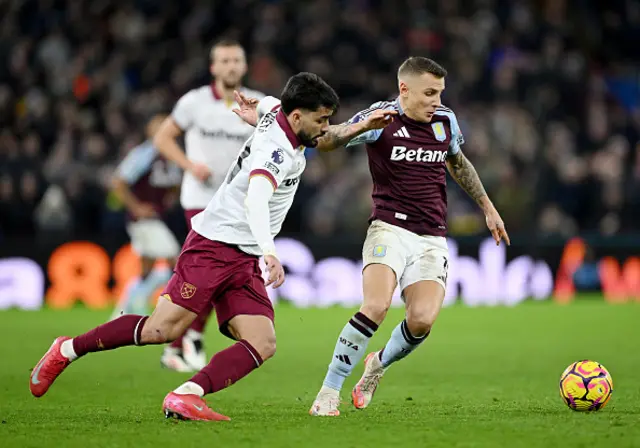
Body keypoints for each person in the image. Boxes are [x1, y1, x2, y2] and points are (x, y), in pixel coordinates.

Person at [28, 72, 392, 422]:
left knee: (262, 342)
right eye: (322, 119)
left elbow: (268, 106)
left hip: (242, 256)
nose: (326, 126)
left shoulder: (275, 111)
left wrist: (258, 115)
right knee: (162, 331)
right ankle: (67, 349)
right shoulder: (276, 152)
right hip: (214, 247)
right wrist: (270, 251)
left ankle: (187, 394)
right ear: (296, 116)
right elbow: (255, 200)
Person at [233, 56, 510, 417]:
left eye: (440, 93)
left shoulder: (445, 120)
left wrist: (487, 206)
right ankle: (329, 391)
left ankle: (377, 364)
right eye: (429, 93)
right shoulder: (382, 117)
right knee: (376, 306)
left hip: (432, 236)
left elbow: (457, 162)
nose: (436, 101)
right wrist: (362, 125)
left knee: (422, 320)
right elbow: (326, 139)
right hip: (388, 228)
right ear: (404, 90)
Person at [153, 38, 266, 372]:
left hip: (240, 204)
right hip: (201, 201)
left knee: (216, 275)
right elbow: (162, 138)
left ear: (244, 66)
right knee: (207, 274)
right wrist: (190, 167)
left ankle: (186, 340)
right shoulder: (194, 102)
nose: (231, 66)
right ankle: (181, 342)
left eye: (236, 60)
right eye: (225, 61)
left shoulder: (256, 104)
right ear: (213, 67)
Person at [110, 114, 182, 318]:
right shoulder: (144, 154)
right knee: (174, 259)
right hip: (143, 220)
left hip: (157, 218)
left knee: (147, 270)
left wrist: (171, 197)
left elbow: (175, 182)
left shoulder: (172, 155)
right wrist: (136, 207)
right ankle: (166, 309)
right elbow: (118, 182)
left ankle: (121, 312)